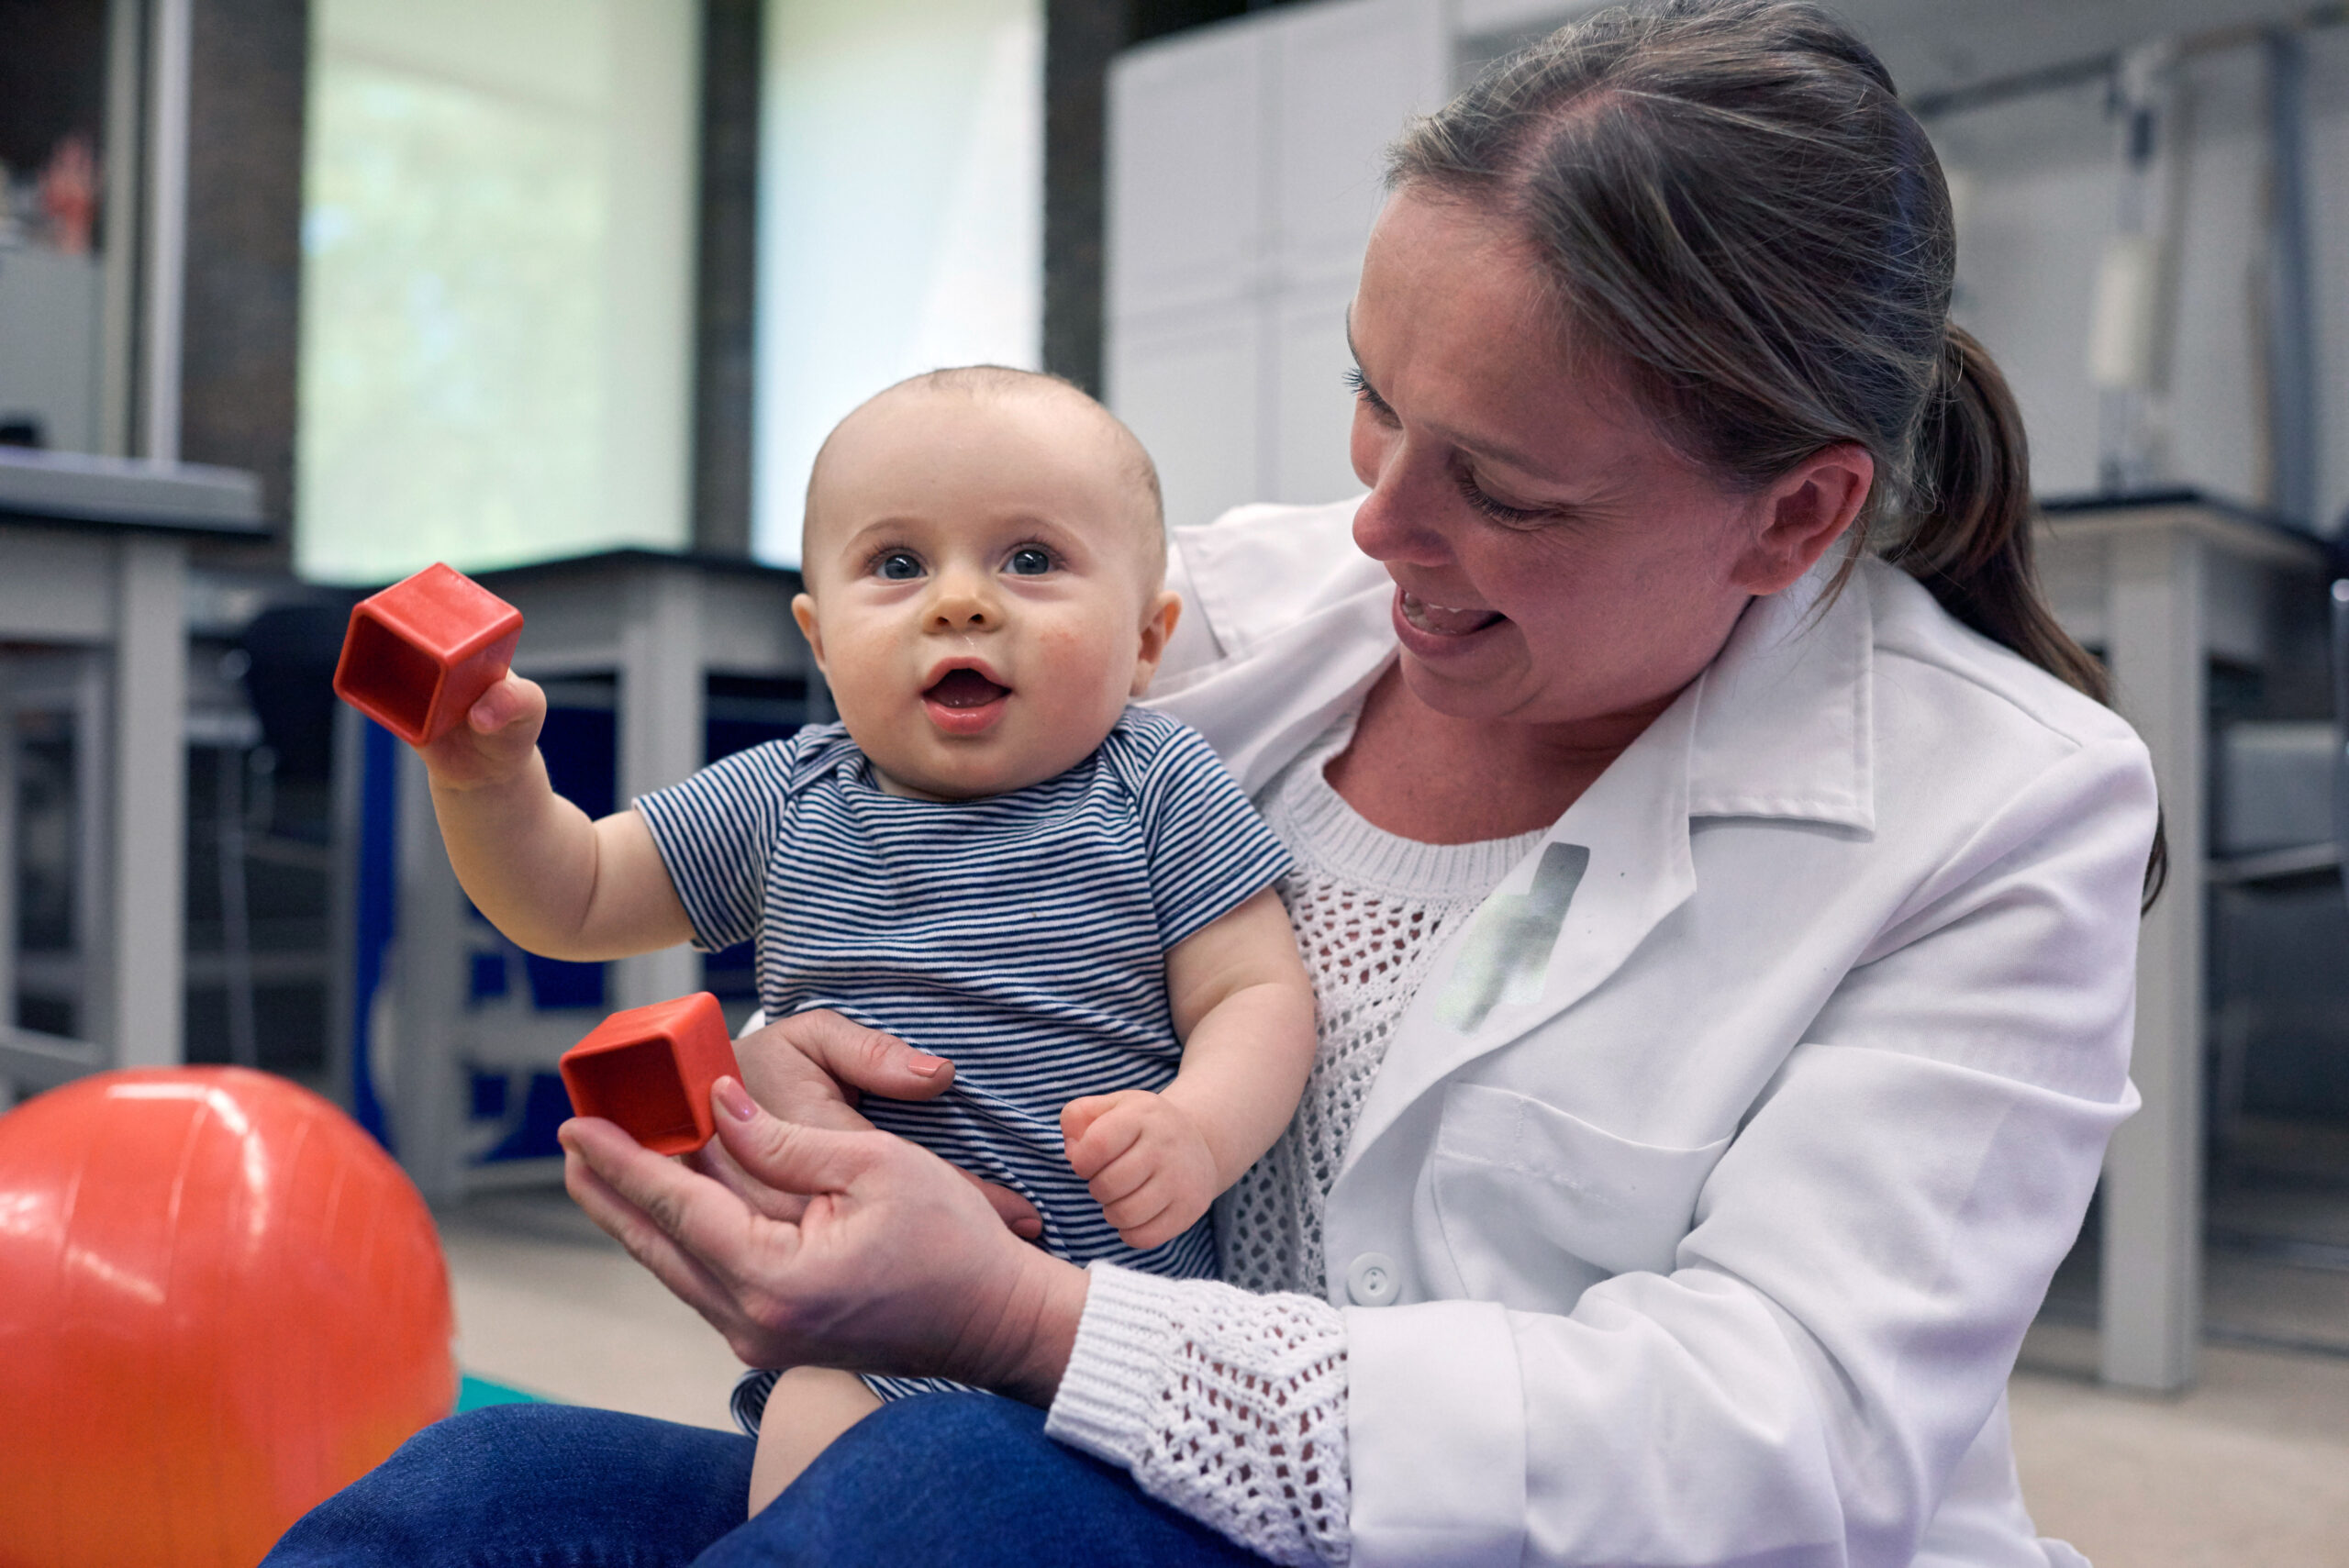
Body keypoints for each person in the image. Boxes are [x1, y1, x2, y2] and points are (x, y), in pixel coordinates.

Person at [265, 3, 2159, 1564]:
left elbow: (1775, 1442)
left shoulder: (2001, 808)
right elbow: (875, 878)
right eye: (1372, 397)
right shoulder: (1229, 615)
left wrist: (1021, 1316)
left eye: (1500, 486)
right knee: (466, 1498)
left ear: (1795, 511)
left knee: (928, 1506)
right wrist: (808, 1046)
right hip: (1068, 1461)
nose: (1376, 521)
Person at [399, 366, 1317, 1510]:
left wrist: (1196, 1128)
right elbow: (573, 894)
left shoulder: (1157, 785)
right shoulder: (793, 795)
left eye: (1030, 559)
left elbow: (1256, 995)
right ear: (821, 639)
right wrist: (486, 780)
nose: (961, 602)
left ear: (1145, 640)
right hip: (860, 1339)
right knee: (812, 1480)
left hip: (1104, 1352)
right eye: (898, 564)